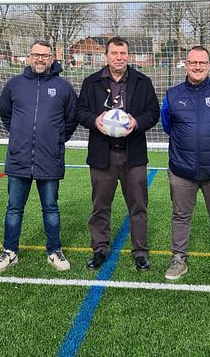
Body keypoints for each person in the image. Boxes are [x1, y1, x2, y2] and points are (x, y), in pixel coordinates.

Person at [0, 40, 78, 272]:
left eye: (45, 55)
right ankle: (10, 251)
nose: (40, 59)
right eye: (36, 55)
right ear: (29, 57)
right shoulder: (15, 85)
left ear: (52, 59)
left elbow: (71, 120)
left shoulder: (64, 88)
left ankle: (54, 251)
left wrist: (56, 139)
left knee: (50, 207)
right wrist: (20, 135)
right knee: (14, 208)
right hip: (19, 158)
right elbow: (5, 113)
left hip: (49, 158)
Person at [76, 36, 160, 271]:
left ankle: (140, 252)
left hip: (133, 155)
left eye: (123, 54)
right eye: (114, 53)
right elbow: (79, 112)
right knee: (100, 206)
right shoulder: (91, 82)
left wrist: (136, 122)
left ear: (128, 56)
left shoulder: (142, 81)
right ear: (106, 56)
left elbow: (154, 112)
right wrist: (95, 120)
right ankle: (100, 249)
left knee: (138, 205)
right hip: (103, 155)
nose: (119, 58)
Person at [160, 45, 210, 284]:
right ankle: (178, 259)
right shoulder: (172, 95)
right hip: (182, 169)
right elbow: (168, 126)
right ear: (185, 64)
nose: (197, 67)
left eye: (202, 63)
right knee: (180, 216)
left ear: (208, 65)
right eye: (193, 62)